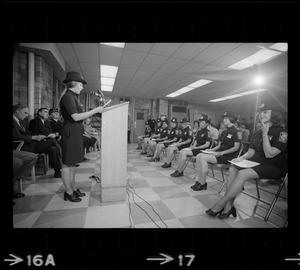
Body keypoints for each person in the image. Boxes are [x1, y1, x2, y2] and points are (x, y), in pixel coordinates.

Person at [206, 102, 288, 219]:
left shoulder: (282, 133)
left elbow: (270, 154)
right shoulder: (257, 132)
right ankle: (229, 206)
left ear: (274, 114)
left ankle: (222, 203)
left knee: (243, 173)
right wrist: (240, 158)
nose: (261, 114)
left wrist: (265, 134)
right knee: (233, 168)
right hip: (257, 163)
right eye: (260, 112)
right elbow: (251, 152)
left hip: (273, 166)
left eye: (265, 112)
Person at [59, 71, 104, 202]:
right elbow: (75, 117)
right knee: (67, 164)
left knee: (72, 164)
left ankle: (73, 187)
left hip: (75, 132)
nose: (82, 87)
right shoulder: (68, 97)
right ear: (74, 84)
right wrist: (95, 110)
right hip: (70, 132)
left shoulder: (72, 97)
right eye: (81, 84)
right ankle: (68, 192)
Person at [191, 110, 241, 191]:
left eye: (226, 118)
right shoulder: (224, 132)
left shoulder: (236, 131)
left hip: (228, 156)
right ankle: (199, 181)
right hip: (220, 154)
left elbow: (236, 148)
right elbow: (219, 145)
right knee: (199, 155)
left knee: (203, 158)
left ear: (231, 119)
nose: (223, 120)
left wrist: (222, 152)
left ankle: (203, 183)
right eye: (224, 118)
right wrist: (211, 149)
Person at [13, 103, 62, 178]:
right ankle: (63, 161)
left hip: (31, 144)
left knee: (53, 149)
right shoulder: (15, 122)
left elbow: (28, 132)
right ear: (17, 111)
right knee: (52, 141)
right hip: (21, 146)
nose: (27, 115)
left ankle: (58, 172)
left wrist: (37, 136)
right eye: (25, 113)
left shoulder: (21, 121)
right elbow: (16, 136)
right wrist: (33, 137)